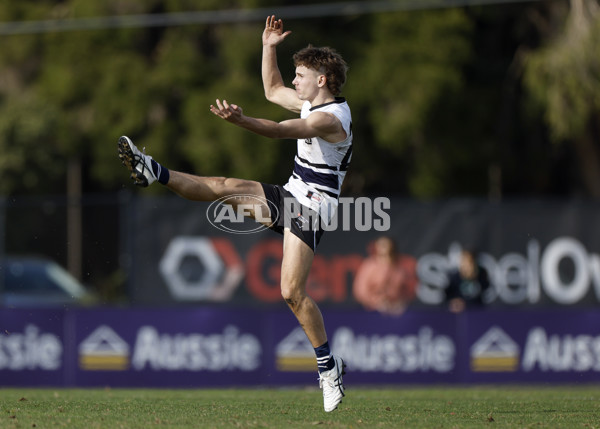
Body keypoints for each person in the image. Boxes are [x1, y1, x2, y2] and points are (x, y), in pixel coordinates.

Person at [117, 15, 351, 412]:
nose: (295, 81)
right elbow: (273, 89)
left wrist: (241, 121)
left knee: (291, 292)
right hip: (292, 194)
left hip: (313, 209)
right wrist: (268, 46)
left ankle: (329, 368)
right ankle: (152, 170)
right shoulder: (311, 101)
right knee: (224, 187)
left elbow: (281, 130)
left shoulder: (330, 119)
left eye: (301, 75)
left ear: (323, 79)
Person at [353, 236, 417, 316]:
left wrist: (399, 303)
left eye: (386, 245)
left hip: (397, 312)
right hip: (372, 312)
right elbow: (361, 290)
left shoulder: (402, 267)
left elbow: (409, 290)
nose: (384, 247)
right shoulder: (369, 265)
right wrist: (376, 302)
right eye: (381, 245)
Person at [445, 249, 490, 313]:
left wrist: (474, 277)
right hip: (459, 315)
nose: (465, 264)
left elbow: (486, 293)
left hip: (477, 313)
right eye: (463, 261)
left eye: (468, 262)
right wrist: (454, 302)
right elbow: (448, 297)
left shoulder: (481, 275)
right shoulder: (454, 277)